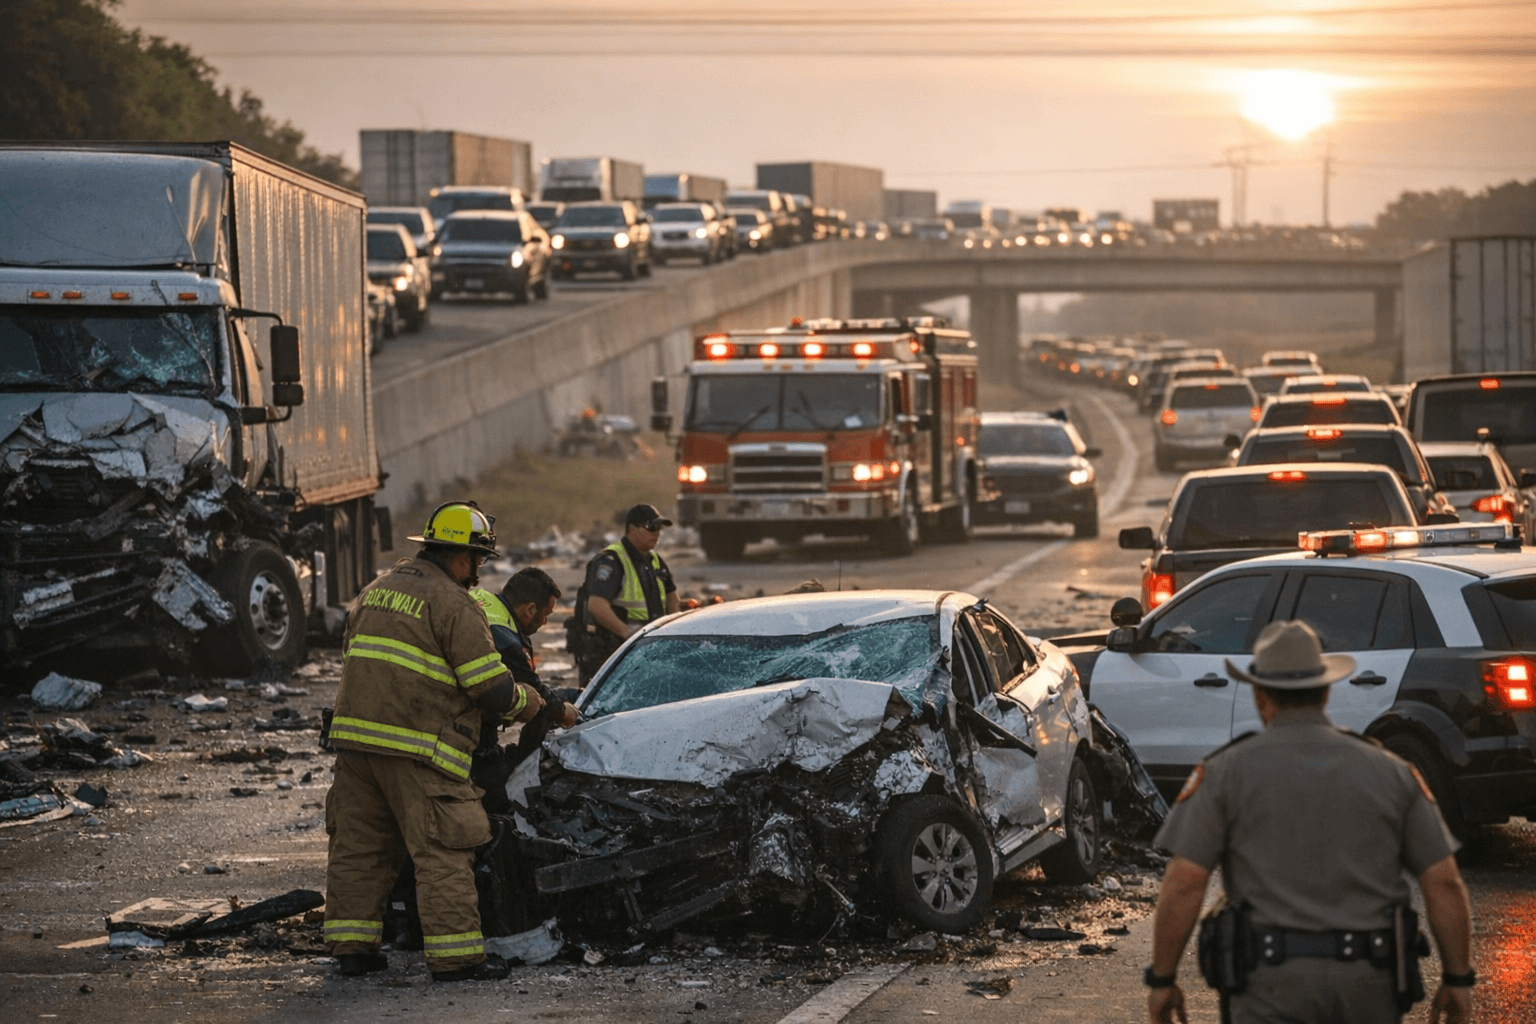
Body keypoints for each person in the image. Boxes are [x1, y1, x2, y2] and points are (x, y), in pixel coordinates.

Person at [1145, 620, 1475, 1024]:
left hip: (1269, 988)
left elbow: (1185, 883)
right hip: (1368, 986)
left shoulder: (1225, 772)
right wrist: (1458, 978)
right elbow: (1443, 881)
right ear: (1325, 691)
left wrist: (1162, 979)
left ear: (1260, 695)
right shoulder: (1392, 771)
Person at [323, 501, 544, 983]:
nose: (478, 571)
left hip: (355, 744)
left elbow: (356, 658)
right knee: (444, 849)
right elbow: (490, 688)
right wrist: (532, 703)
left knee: (360, 848)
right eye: (479, 560)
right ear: (464, 557)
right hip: (418, 749)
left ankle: (352, 949)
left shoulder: (376, 591)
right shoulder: (454, 604)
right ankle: (457, 957)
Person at [470, 567, 581, 775]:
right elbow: (534, 691)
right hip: (461, 736)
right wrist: (562, 711)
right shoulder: (507, 642)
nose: (545, 622)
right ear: (530, 609)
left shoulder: (483, 598)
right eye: (546, 615)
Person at [570, 503, 680, 682]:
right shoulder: (611, 560)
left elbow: (672, 599)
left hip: (648, 648)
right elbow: (596, 605)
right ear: (632, 529)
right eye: (651, 527)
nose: (657, 533)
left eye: (659, 528)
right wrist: (628, 633)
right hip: (616, 653)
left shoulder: (655, 560)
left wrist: (675, 634)